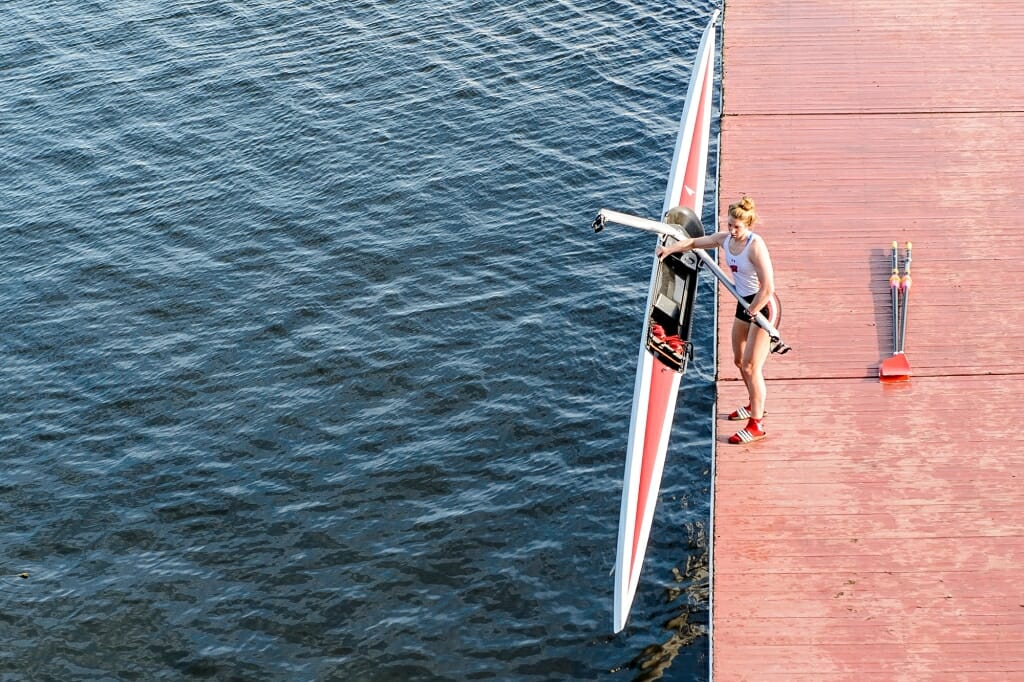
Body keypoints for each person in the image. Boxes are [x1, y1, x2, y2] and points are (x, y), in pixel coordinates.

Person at [656, 197, 780, 444]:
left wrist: (754, 310)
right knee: (737, 360)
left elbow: (768, 287)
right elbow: (694, 242)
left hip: (763, 307)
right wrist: (669, 249)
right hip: (743, 304)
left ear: (749, 226)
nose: (733, 231)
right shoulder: (725, 239)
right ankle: (754, 403)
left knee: (750, 367)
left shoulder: (756, 246)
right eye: (730, 224)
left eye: (738, 227)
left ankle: (757, 425)